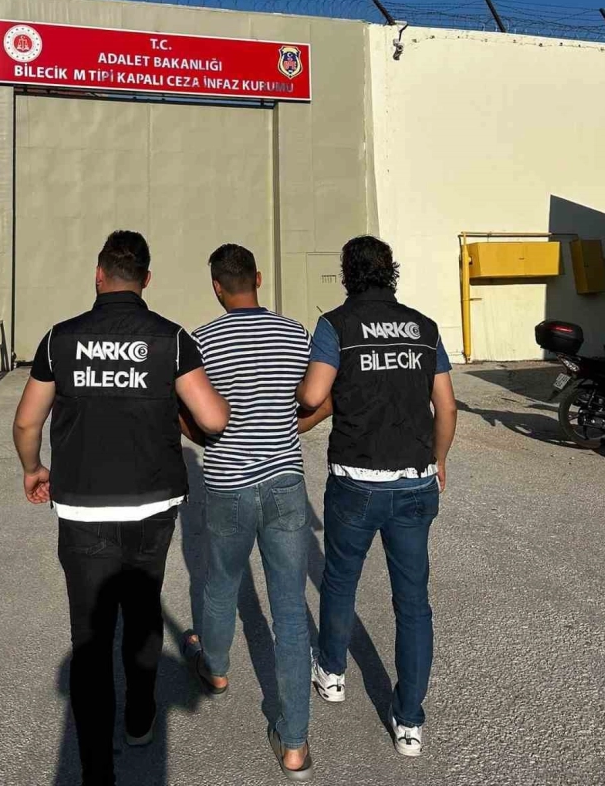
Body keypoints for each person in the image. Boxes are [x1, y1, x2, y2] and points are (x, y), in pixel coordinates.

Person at [12, 230, 229, 786]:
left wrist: (34, 469)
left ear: (98, 274)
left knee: (89, 640)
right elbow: (212, 419)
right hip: (152, 508)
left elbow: (27, 421)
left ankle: (96, 771)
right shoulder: (171, 339)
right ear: (146, 280)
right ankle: (138, 718)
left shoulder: (60, 340)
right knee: (142, 612)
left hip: (82, 510)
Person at [297, 236, 457, 758]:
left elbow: (312, 396)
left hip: (356, 481)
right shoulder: (423, 327)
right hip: (414, 480)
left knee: (340, 581)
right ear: (391, 272)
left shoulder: (336, 325)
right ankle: (409, 723)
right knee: (413, 603)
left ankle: (332, 674)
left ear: (347, 273)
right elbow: (446, 407)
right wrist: (439, 459)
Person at [181, 244, 331, 783]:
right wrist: (290, 428)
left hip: (227, 482)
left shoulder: (201, 340)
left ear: (217, 287)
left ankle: (217, 671)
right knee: (289, 609)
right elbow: (320, 399)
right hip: (285, 483)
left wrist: (205, 438)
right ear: (259, 279)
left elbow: (187, 414)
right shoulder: (295, 333)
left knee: (221, 583)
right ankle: (294, 744)